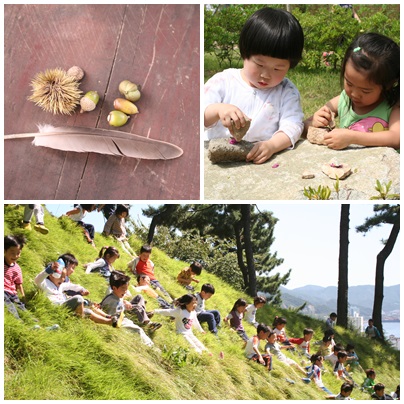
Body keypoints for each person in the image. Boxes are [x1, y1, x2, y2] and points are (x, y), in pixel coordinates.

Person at [204, 7, 305, 164]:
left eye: (277, 68)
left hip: (260, 161)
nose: (266, 74)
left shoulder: (286, 91)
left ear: (290, 65)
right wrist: (218, 110)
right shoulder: (223, 82)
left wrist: (272, 145)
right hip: (219, 160)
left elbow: (293, 126)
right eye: (259, 64)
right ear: (245, 54)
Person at [305, 33, 399, 150]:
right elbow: (301, 127)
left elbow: (397, 138)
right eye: (349, 83)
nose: (354, 94)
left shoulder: (394, 106)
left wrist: (353, 137)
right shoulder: (343, 100)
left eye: (365, 91)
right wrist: (314, 123)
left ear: (388, 85)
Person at [34, 259, 116, 326]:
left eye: (64, 277)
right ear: (52, 275)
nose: (62, 280)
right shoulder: (45, 284)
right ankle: (79, 321)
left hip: (65, 307)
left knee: (87, 311)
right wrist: (49, 270)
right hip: (57, 308)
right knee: (78, 299)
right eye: (61, 277)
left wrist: (82, 289)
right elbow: (38, 279)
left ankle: (109, 322)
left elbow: (71, 286)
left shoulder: (60, 286)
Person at [100, 271, 155, 347]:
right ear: (114, 288)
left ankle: (151, 344)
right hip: (119, 320)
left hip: (123, 317)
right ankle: (150, 346)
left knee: (139, 329)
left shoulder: (117, 295)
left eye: (126, 289)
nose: (125, 291)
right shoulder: (112, 301)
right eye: (123, 289)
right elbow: (112, 317)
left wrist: (125, 303)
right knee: (138, 330)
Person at [4, 235, 27, 320]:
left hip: (13, 294)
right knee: (10, 306)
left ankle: (36, 324)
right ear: (5, 250)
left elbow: (19, 284)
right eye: (12, 252)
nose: (15, 256)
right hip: (3, 291)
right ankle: (18, 321)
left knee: (22, 308)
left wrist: (23, 296)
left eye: (18, 253)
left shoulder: (17, 268)